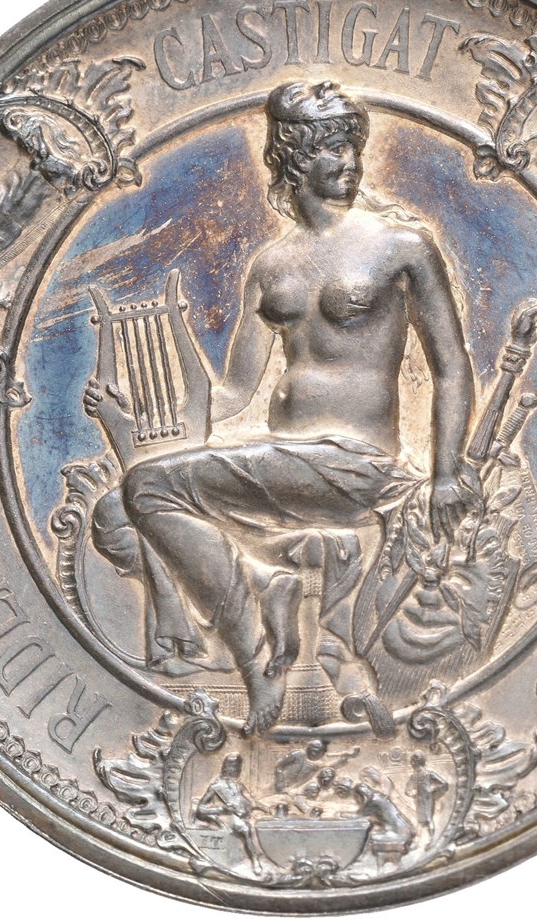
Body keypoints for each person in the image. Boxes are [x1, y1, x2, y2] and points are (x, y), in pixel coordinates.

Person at [90, 81, 479, 736]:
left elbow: (450, 365)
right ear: (293, 157)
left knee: (148, 487)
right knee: (120, 506)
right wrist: (134, 407)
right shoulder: (271, 266)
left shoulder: (400, 246)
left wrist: (445, 471)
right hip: (283, 466)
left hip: (352, 463)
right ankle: (273, 592)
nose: (350, 161)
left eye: (352, 146)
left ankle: (256, 651)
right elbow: (235, 392)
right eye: (331, 148)